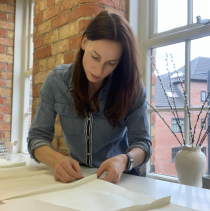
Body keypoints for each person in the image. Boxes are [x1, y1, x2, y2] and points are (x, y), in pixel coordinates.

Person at [28, 11, 151, 184]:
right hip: (79, 179)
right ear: (84, 41)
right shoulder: (56, 81)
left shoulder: (132, 87)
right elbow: (36, 138)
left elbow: (143, 144)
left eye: (111, 63)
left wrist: (124, 161)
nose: (99, 71)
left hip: (122, 180)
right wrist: (56, 160)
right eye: (95, 57)